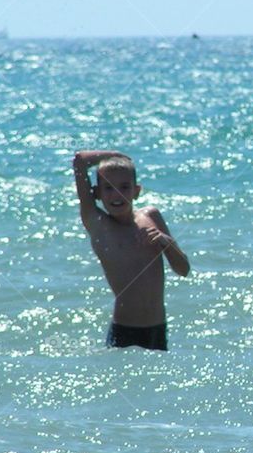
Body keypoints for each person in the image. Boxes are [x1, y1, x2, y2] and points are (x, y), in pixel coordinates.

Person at [72, 150, 189, 350]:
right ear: (97, 193)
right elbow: (80, 161)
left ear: (136, 191)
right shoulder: (98, 224)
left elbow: (183, 270)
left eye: (124, 187)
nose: (116, 194)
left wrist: (166, 242)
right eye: (108, 188)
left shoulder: (152, 217)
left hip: (157, 330)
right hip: (124, 333)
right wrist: (117, 155)